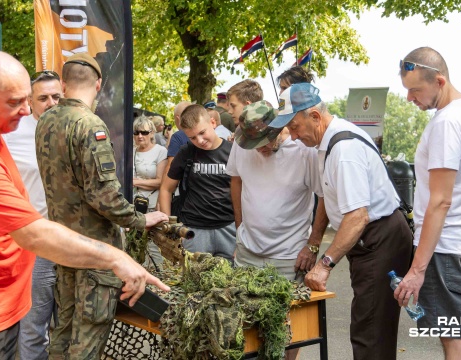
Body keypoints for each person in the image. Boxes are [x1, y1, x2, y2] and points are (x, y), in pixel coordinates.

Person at [0, 50, 169, 360]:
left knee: (58, 333)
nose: (27, 111)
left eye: (27, 100)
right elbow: (33, 233)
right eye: (15, 102)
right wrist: (117, 257)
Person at [35, 52, 169, 360]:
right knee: (86, 340)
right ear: (98, 85)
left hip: (63, 245)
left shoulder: (46, 121)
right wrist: (140, 219)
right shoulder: (90, 125)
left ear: (64, 84)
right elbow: (104, 197)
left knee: (63, 333)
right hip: (95, 252)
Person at [270, 82, 412, 359]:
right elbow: (326, 196)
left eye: (296, 128)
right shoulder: (325, 142)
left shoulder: (344, 149)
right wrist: (313, 244)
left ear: (314, 116)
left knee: (371, 331)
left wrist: (325, 264)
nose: (295, 137)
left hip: (378, 237)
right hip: (368, 238)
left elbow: (357, 216)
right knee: (368, 326)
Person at [393, 47, 461, 359]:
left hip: (442, 248)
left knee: (452, 338)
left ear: (439, 80)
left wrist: (417, 269)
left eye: (415, 90)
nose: (410, 98)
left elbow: (440, 201)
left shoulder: (447, 123)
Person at [226, 101, 325, 360]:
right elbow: (236, 181)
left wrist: (313, 244)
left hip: (289, 254)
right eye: (253, 145)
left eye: (264, 143)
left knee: (287, 326)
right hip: (249, 250)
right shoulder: (241, 145)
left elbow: (324, 197)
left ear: (278, 129)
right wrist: (239, 227)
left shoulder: (304, 151)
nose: (259, 150)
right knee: (247, 321)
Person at [2, 69, 62, 360]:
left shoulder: (74, 126)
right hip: (35, 242)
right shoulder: (11, 133)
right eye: (43, 98)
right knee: (34, 325)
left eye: (56, 96)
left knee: (69, 325)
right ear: (30, 100)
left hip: (72, 238)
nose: (51, 103)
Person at [158, 104, 235, 260]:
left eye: (202, 133)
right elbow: (166, 189)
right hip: (194, 230)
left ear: (212, 123)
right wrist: (170, 228)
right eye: (192, 137)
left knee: (231, 279)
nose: (199, 140)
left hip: (229, 227)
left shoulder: (233, 151)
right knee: (194, 279)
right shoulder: (186, 152)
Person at [132, 116, 167, 266]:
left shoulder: (160, 151)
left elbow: (160, 182)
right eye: (137, 132)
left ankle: (156, 283)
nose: (140, 136)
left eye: (144, 132)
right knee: (135, 245)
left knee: (153, 248)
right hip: (134, 205)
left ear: (152, 133)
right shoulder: (132, 151)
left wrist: (135, 182)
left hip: (153, 206)